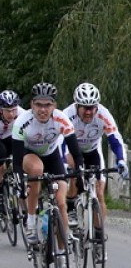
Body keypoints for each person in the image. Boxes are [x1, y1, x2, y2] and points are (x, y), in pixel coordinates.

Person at [12, 82, 84, 243]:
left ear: (54, 106)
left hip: (52, 156)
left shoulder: (61, 119)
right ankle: (30, 220)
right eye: (38, 104)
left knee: (60, 202)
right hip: (29, 155)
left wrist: (79, 171)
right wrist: (18, 179)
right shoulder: (22, 122)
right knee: (37, 169)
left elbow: (76, 153)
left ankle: (62, 254)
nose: (43, 109)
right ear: (31, 104)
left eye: (47, 105)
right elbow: (16, 162)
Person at [62, 82, 128, 225]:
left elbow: (115, 138)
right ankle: (72, 209)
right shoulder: (67, 115)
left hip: (93, 151)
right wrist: (64, 162)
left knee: (99, 193)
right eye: (85, 108)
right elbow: (59, 142)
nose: (89, 112)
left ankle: (98, 234)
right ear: (76, 106)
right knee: (74, 173)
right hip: (72, 151)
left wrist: (121, 160)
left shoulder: (103, 114)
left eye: (92, 108)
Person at [0, 90, 25, 205]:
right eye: (8, 111)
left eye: (13, 110)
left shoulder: (21, 113)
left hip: (11, 137)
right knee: (2, 154)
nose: (11, 114)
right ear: (1, 110)